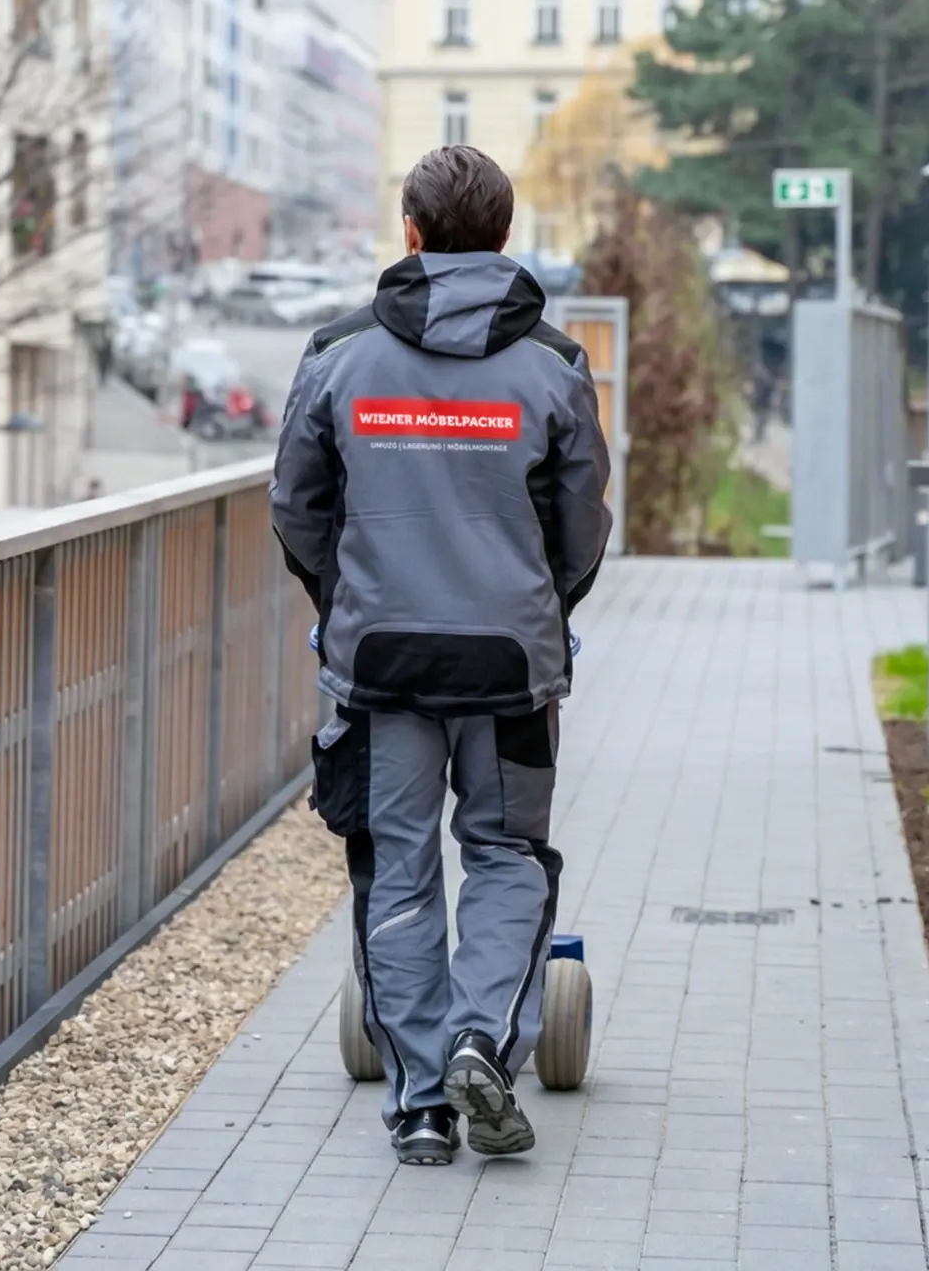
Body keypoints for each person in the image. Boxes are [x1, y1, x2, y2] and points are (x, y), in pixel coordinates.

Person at [269, 145, 612, 1167]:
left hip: (382, 668)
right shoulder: (552, 366)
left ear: (410, 235)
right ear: (502, 239)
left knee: (399, 875)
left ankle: (421, 1102)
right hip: (509, 665)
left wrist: (350, 599)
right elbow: (582, 524)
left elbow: (296, 506)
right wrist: (537, 606)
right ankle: (480, 1044)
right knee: (506, 857)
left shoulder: (338, 356)